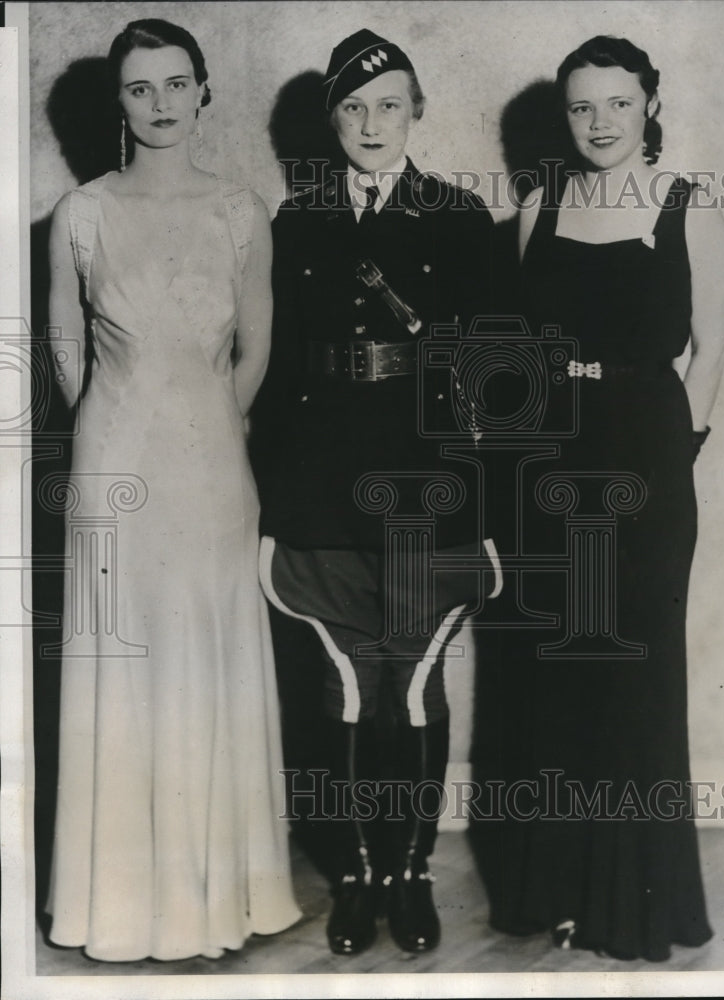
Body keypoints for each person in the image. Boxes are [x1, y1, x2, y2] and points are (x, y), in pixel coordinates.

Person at [470, 35, 724, 962]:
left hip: (645, 467)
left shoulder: (685, 209)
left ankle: (635, 906)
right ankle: (560, 893)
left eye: (617, 104)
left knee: (633, 680)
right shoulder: (536, 208)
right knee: (555, 680)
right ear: (563, 114)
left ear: (649, 105)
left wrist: (674, 452)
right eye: (581, 106)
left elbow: (710, 350)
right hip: (546, 465)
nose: (599, 123)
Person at [45, 18, 301, 961]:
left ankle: (213, 900)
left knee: (205, 658)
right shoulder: (80, 212)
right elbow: (67, 348)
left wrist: (209, 421)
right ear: (117, 102)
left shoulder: (241, 212)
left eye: (175, 85)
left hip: (211, 466)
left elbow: (257, 346)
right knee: (125, 666)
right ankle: (114, 905)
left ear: (202, 93)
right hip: (115, 461)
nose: (159, 104)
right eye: (139, 88)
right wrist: (121, 421)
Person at [254, 29, 497, 955]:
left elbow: (491, 374)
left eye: (388, 102)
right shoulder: (297, 220)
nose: (369, 122)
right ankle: (356, 875)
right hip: (319, 488)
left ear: (416, 111)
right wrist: (272, 497)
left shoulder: (459, 216)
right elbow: (275, 378)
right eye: (351, 106)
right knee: (347, 689)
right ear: (329, 121)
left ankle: (412, 875)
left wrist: (483, 503)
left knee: (419, 686)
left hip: (426, 487)